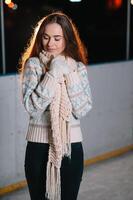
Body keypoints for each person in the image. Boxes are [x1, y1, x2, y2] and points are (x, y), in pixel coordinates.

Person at [19, 11, 92, 200]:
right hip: (38, 147)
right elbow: (32, 108)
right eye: (45, 37)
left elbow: (82, 108)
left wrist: (68, 72)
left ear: (67, 39)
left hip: (71, 147)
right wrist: (52, 74)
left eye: (57, 38)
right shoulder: (33, 65)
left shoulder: (78, 68)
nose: (50, 43)